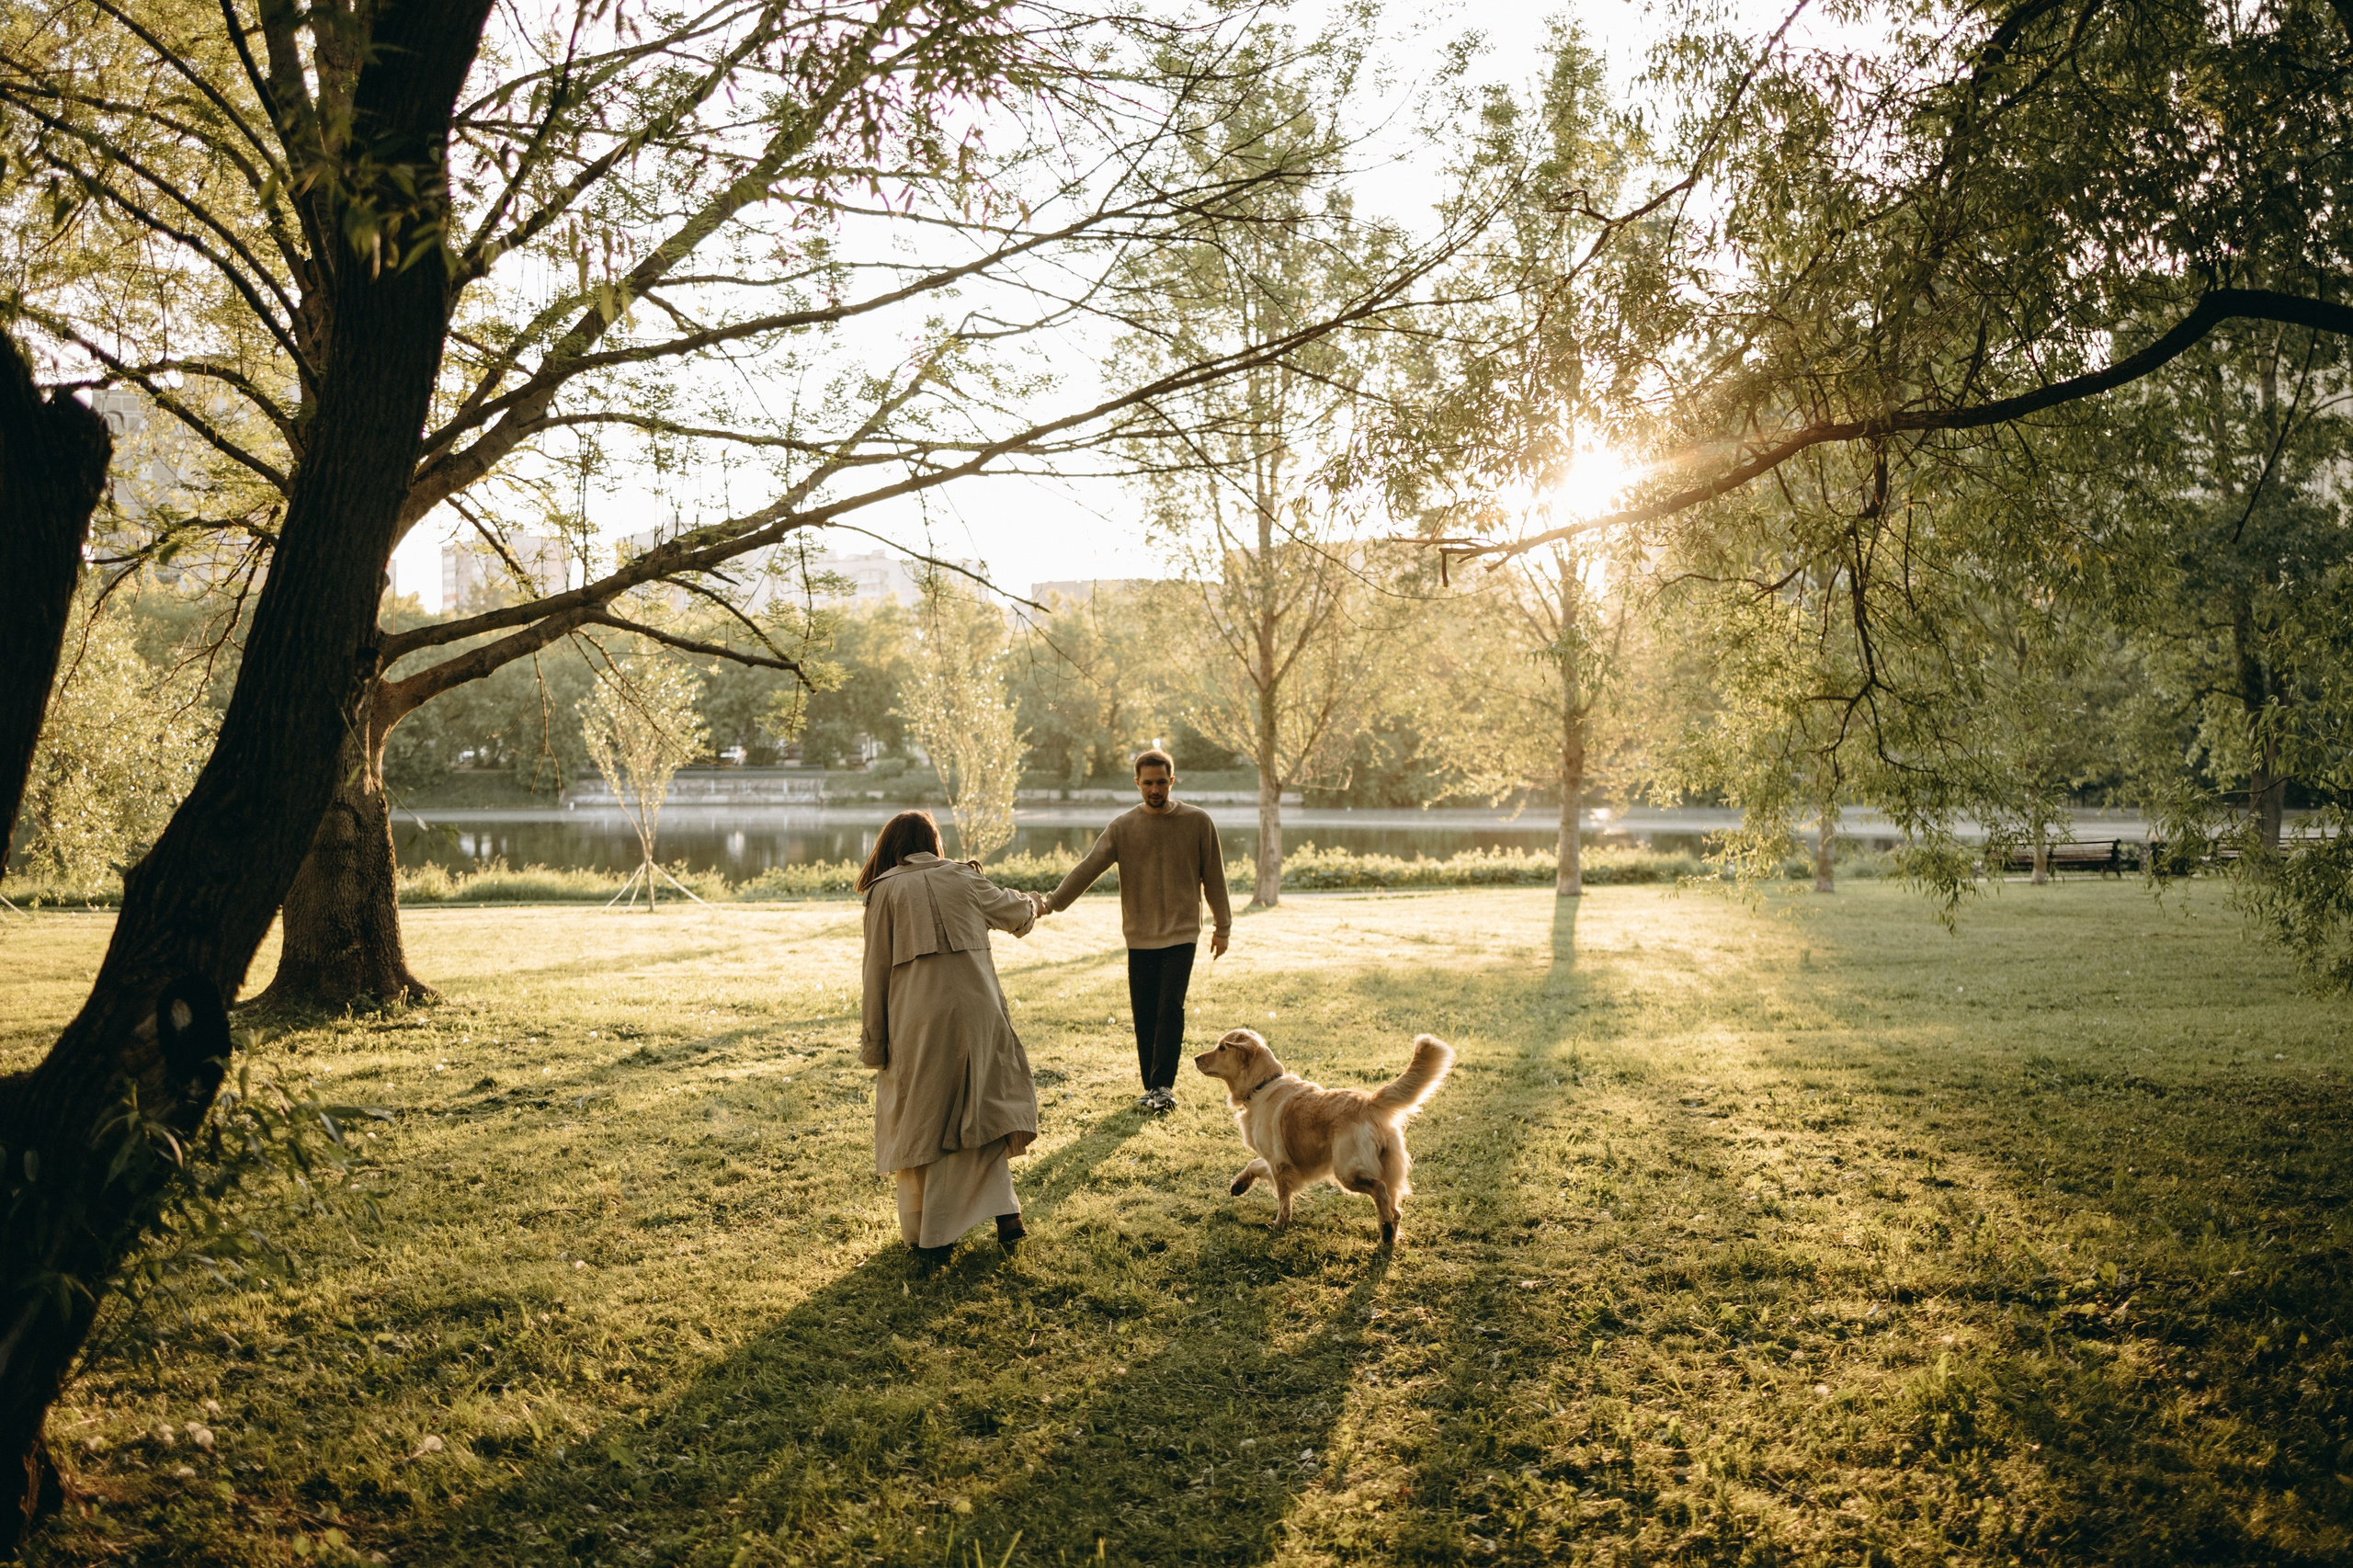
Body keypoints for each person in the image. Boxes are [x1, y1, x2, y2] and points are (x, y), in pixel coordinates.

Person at [858, 809, 1046, 1263]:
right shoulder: (965, 879)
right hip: (980, 1013)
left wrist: (874, 1044)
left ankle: (935, 1237)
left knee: (931, 1120)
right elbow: (1019, 914)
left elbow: (875, 973)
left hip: (918, 1021)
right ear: (933, 841)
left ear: (891, 845)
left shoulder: (883, 893)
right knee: (979, 1108)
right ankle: (1008, 1218)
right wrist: (1037, 901)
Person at [1038, 747, 1231, 1113]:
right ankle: (1152, 1087)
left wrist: (1223, 926)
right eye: (1148, 784)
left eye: (1161, 783)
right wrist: (1051, 902)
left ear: (1172, 781)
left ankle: (1163, 1086)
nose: (1155, 790)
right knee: (1144, 1011)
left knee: (1169, 1006)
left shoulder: (1198, 821)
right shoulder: (1123, 827)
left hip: (1182, 931)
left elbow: (1214, 878)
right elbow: (1087, 868)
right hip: (1140, 935)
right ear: (1137, 784)